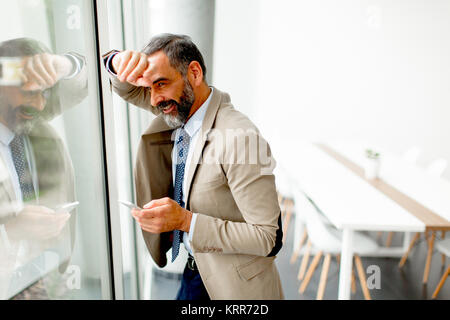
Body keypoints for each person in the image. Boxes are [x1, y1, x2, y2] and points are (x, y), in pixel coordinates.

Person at [103, 33, 283, 300]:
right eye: (149, 87)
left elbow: (268, 238)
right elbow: (126, 88)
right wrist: (116, 61)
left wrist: (186, 221)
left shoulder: (240, 138)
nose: (153, 100)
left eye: (160, 84)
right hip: (194, 269)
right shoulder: (178, 108)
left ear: (194, 73)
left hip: (233, 286)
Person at [0, 37, 87, 299]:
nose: (39, 105)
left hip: (43, 274)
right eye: (29, 92)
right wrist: (10, 230)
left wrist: (62, 64)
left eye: (45, 93)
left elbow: (86, 83)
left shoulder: (28, 115)